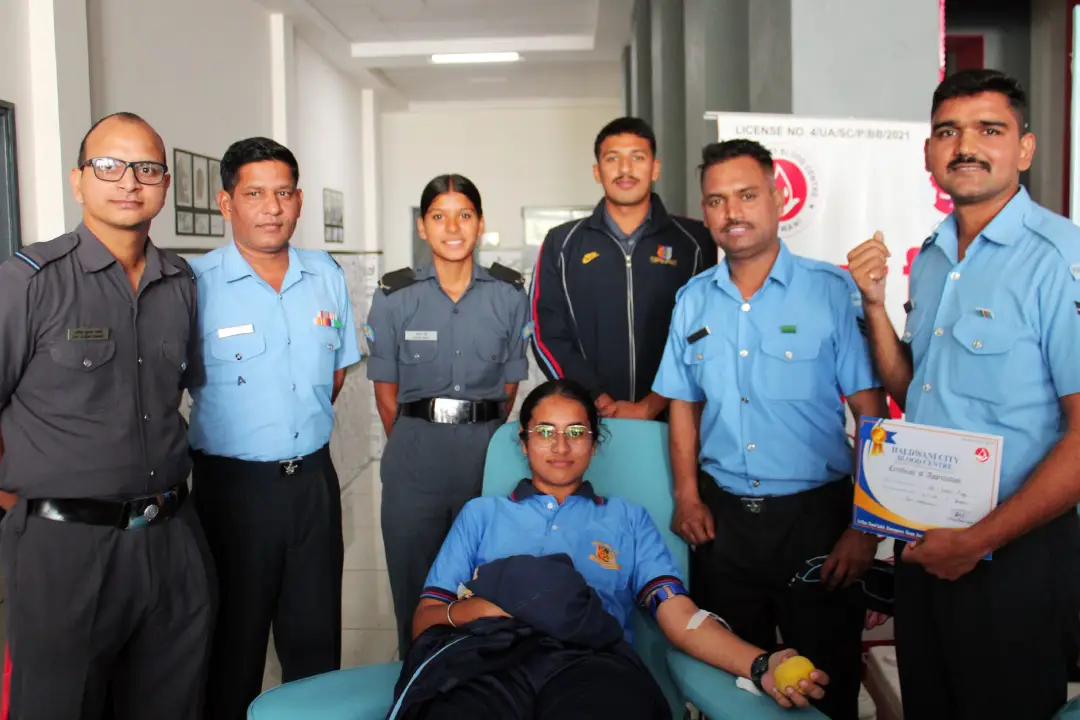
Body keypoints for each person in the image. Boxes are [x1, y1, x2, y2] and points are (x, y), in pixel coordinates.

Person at [847, 68, 1080, 720]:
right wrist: (874, 305)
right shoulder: (931, 255)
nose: (965, 146)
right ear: (929, 152)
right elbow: (913, 388)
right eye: (948, 132)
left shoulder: (1058, 259)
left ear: (1025, 148)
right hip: (924, 542)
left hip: (1015, 553)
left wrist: (979, 540)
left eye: (989, 129)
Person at [399, 379, 830, 717]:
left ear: (594, 441)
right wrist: (482, 611)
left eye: (576, 432)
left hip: (590, 664)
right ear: (525, 441)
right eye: (545, 432)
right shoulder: (481, 514)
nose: (561, 446)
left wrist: (760, 664)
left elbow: (679, 616)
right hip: (484, 658)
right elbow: (426, 619)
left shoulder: (627, 519)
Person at [652, 139, 890, 720]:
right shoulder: (692, 301)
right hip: (722, 520)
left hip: (817, 521)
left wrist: (866, 528)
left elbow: (872, 412)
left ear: (778, 197)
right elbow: (682, 404)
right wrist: (686, 496)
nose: (732, 212)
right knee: (730, 682)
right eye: (716, 200)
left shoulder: (831, 293)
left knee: (825, 677)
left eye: (747, 195)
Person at [0, 112, 215, 719]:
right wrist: (22, 508)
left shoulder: (180, 283)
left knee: (170, 702)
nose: (128, 181)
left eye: (146, 168)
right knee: (57, 705)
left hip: (171, 538)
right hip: (64, 546)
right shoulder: (27, 282)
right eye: (108, 166)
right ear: (78, 182)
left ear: (165, 185)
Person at [187, 137, 361, 719]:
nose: (271, 207)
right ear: (226, 202)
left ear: (300, 200)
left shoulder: (326, 276)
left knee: (314, 644)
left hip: (311, 484)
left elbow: (332, 375)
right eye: (254, 193)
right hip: (230, 492)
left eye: (283, 192)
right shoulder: (194, 285)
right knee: (230, 648)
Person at [366, 174, 531, 657]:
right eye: (439, 216)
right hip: (413, 460)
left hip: (484, 458)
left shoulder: (508, 294)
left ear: (480, 224)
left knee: (484, 589)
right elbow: (385, 393)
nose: (452, 227)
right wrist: (416, 445)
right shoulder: (394, 296)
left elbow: (508, 387)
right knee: (415, 593)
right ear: (423, 227)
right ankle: (416, 687)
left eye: (464, 215)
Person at [529, 117, 716, 420]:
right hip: (590, 418)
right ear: (596, 171)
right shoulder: (562, 244)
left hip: (678, 416)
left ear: (655, 168)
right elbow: (546, 332)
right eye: (612, 158)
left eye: (637, 158)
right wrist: (592, 395)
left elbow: (706, 330)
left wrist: (655, 402)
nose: (625, 169)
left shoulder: (696, 242)